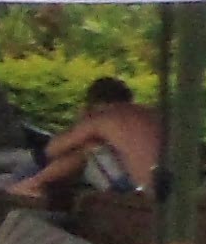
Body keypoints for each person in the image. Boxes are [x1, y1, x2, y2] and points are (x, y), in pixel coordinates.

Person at [11, 77, 163, 201]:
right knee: (94, 151)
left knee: (88, 148)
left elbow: (52, 150)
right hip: (166, 182)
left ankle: (32, 184)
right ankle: (34, 184)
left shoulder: (104, 116)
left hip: (141, 188)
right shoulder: (148, 113)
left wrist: (83, 121)